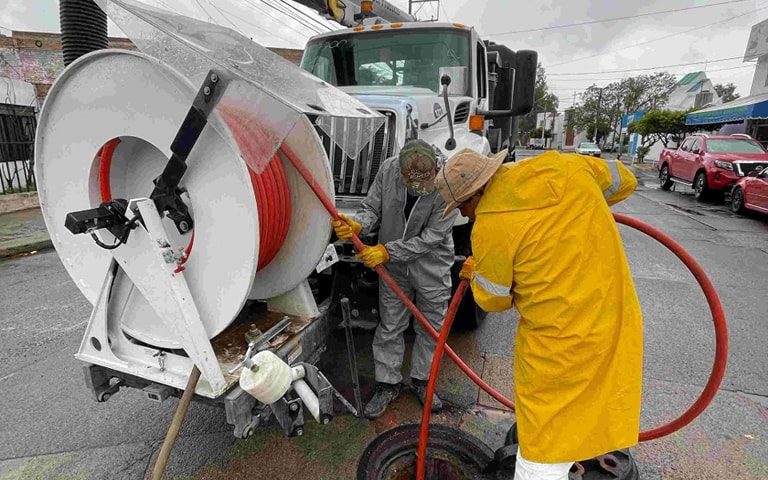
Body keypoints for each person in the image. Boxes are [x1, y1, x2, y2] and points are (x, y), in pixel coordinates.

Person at [436, 148, 642, 480]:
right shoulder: (565, 167)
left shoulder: (490, 227)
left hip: (558, 342)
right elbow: (624, 180)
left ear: (477, 191)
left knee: (542, 445)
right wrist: (579, 212)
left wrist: (476, 271)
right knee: (594, 402)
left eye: (462, 205)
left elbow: (493, 301)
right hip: (613, 316)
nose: (464, 214)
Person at [331, 139, 458, 420]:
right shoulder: (388, 170)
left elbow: (432, 238)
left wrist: (388, 251)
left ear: (436, 166)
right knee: (390, 325)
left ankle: (423, 382)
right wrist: (359, 224)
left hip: (431, 267)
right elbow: (372, 207)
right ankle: (387, 383)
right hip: (393, 266)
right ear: (400, 169)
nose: (416, 189)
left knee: (431, 327)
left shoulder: (448, 182)